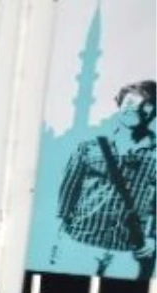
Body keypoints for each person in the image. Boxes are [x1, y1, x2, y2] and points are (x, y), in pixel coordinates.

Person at [54, 80, 157, 280]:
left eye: (144, 104)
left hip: (129, 253)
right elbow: (66, 199)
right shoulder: (88, 148)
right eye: (128, 102)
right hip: (80, 244)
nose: (133, 109)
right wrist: (59, 241)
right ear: (119, 103)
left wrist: (153, 239)